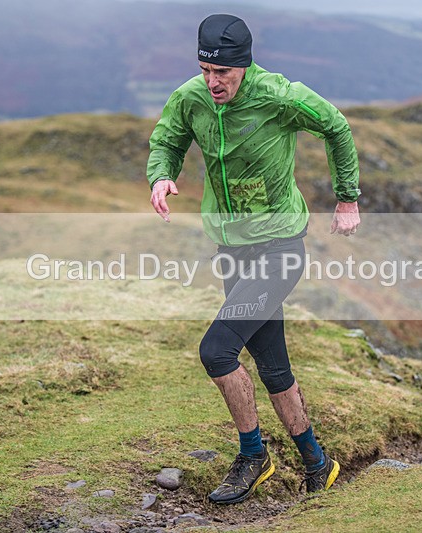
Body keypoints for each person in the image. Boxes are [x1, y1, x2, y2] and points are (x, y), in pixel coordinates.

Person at [146, 14, 361, 504]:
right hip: (232, 249)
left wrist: (347, 198)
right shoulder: (191, 97)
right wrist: (161, 174)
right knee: (272, 365)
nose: (212, 81)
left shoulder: (279, 95)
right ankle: (316, 463)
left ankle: (253, 455)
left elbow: (337, 126)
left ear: (243, 65)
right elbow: (168, 139)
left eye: (222, 73)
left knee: (216, 351)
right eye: (204, 70)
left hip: (280, 247)